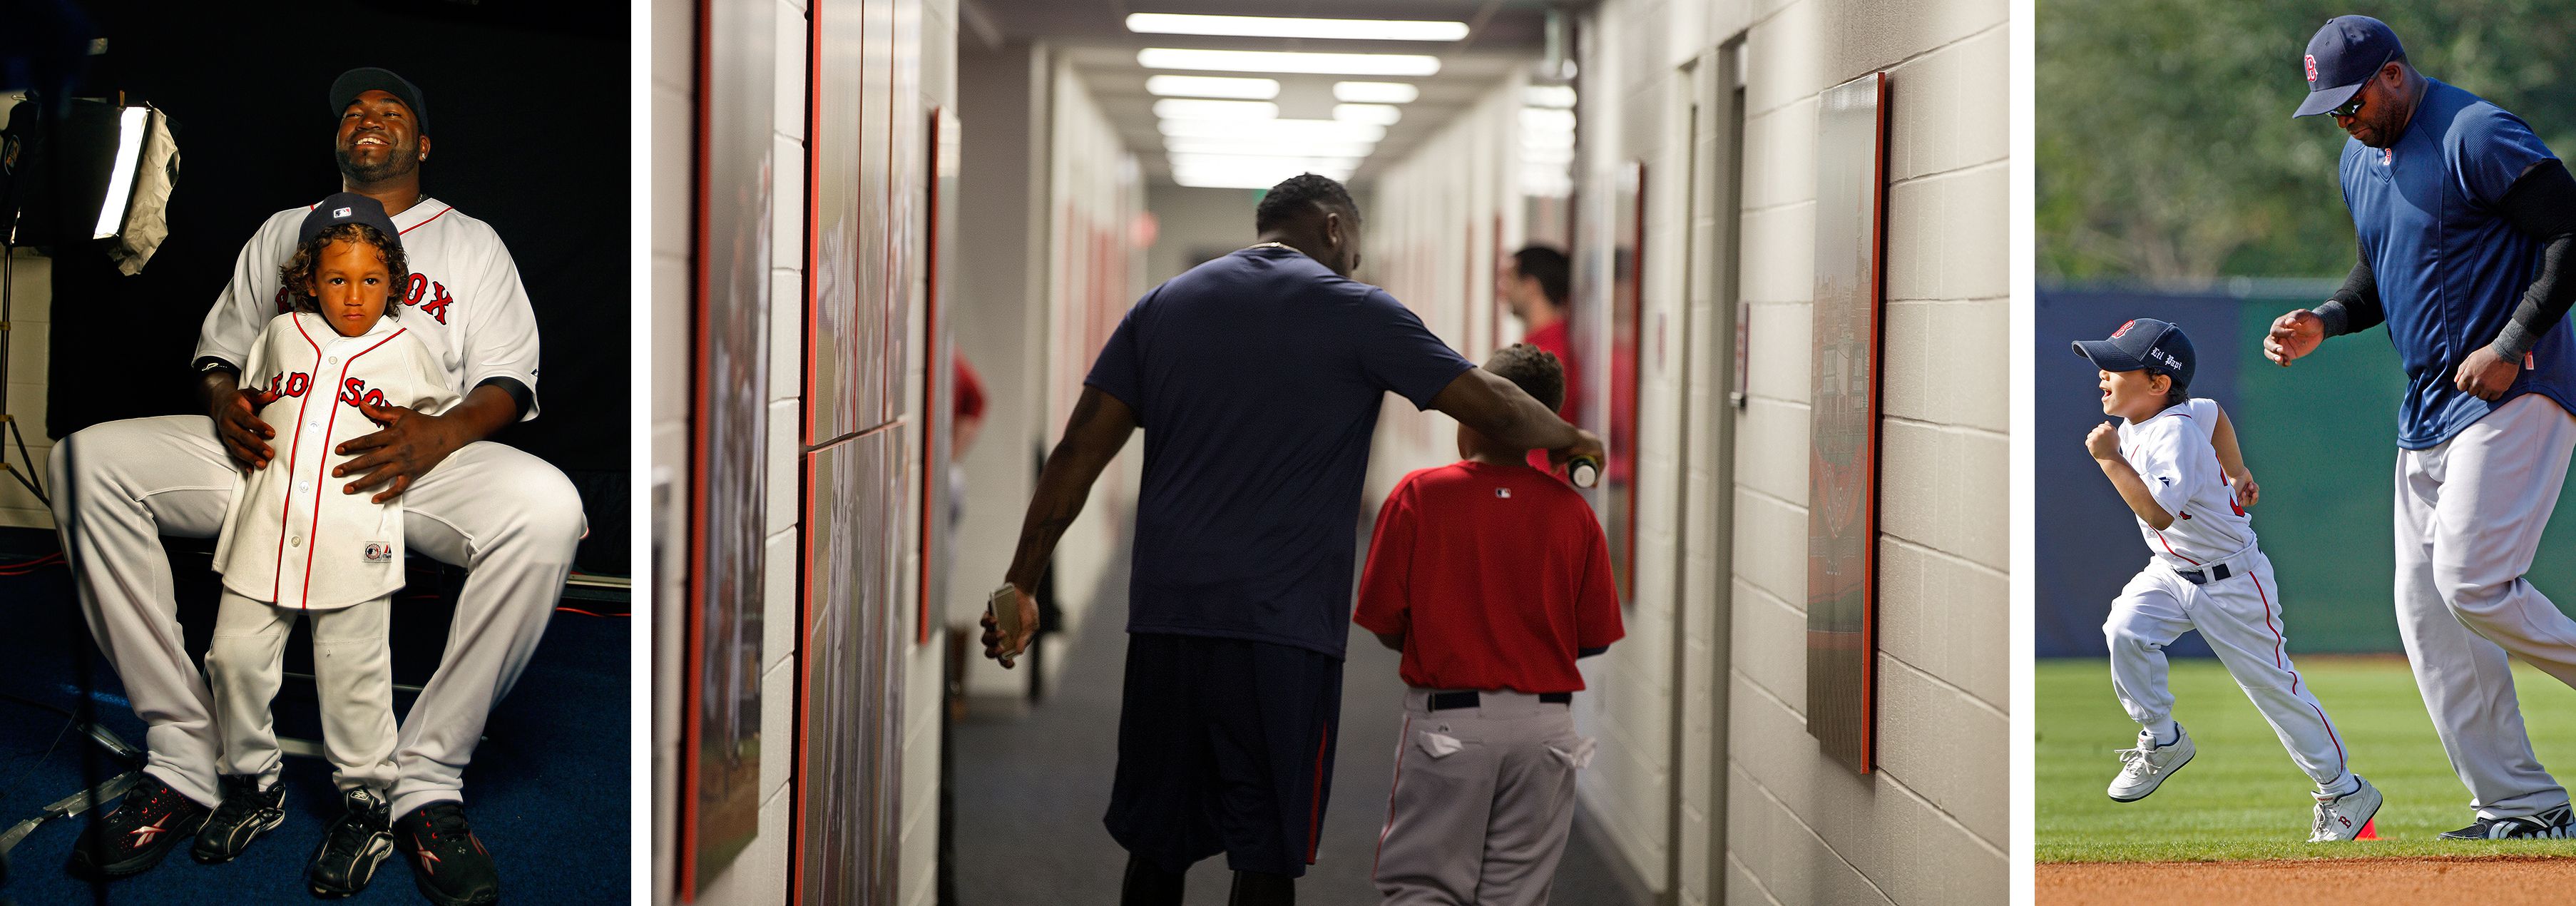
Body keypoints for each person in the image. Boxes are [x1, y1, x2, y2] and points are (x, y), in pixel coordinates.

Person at [981, 174, 1604, 905]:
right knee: (1267, 851)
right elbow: (1486, 398)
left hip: (1169, 619)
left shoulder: (1163, 305)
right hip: (1285, 632)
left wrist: (1021, 581)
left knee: (1157, 844)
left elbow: (1077, 453)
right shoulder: (1360, 311)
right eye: (1356, 252)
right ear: (1335, 229)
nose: (1353, 268)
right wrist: (1570, 435)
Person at [53, 67, 581, 902]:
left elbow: (509, 380)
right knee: (86, 462)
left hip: (406, 463)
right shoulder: (282, 230)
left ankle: (426, 779)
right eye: (355, 112)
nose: (368, 119)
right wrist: (225, 401)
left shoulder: (471, 241)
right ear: (338, 141)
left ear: (424, 143)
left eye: (392, 110)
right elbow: (220, 352)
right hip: (277, 455)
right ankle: (187, 757)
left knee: (549, 508)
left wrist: (440, 433)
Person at [2266, 14, 2576, 839]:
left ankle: (2521, 798)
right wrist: (2326, 320)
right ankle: (2522, 804)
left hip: (2515, 392)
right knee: (2427, 612)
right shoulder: (2359, 160)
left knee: (2471, 580)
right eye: (2329, 108)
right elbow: (2378, 271)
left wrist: (2514, 342)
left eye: (2352, 99)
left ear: (2394, 75)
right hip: (2428, 406)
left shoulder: (2476, 132)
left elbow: (2570, 231)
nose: (2343, 117)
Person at [197, 195, 457, 895]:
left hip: (355, 538)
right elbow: (246, 398)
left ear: (393, 283)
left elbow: (438, 426)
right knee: (235, 658)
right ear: (310, 279)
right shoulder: (279, 333)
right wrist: (240, 412)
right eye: (337, 278)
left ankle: (367, 802)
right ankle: (253, 782)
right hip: (268, 526)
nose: (353, 294)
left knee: (355, 679)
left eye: (371, 280)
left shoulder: (410, 350)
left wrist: (415, 434)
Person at [2075, 319, 2378, 841]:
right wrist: (2237, 471)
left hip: (2232, 583)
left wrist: (2109, 461)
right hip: (2172, 574)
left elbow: (2158, 513)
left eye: (2118, 366)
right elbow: (2214, 413)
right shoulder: (2162, 414)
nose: (2103, 373)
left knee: (2273, 690)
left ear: (2157, 383)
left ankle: (2344, 790)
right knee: (2124, 628)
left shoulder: (2171, 434)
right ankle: (2162, 736)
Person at [1351, 342, 1623, 902]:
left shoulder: (1418, 497)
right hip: (1546, 732)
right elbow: (1592, 639)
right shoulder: (1573, 512)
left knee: (1423, 887)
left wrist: (1446, 634)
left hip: (1449, 724)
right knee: (1516, 895)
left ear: (1468, 419)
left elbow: (1383, 622)